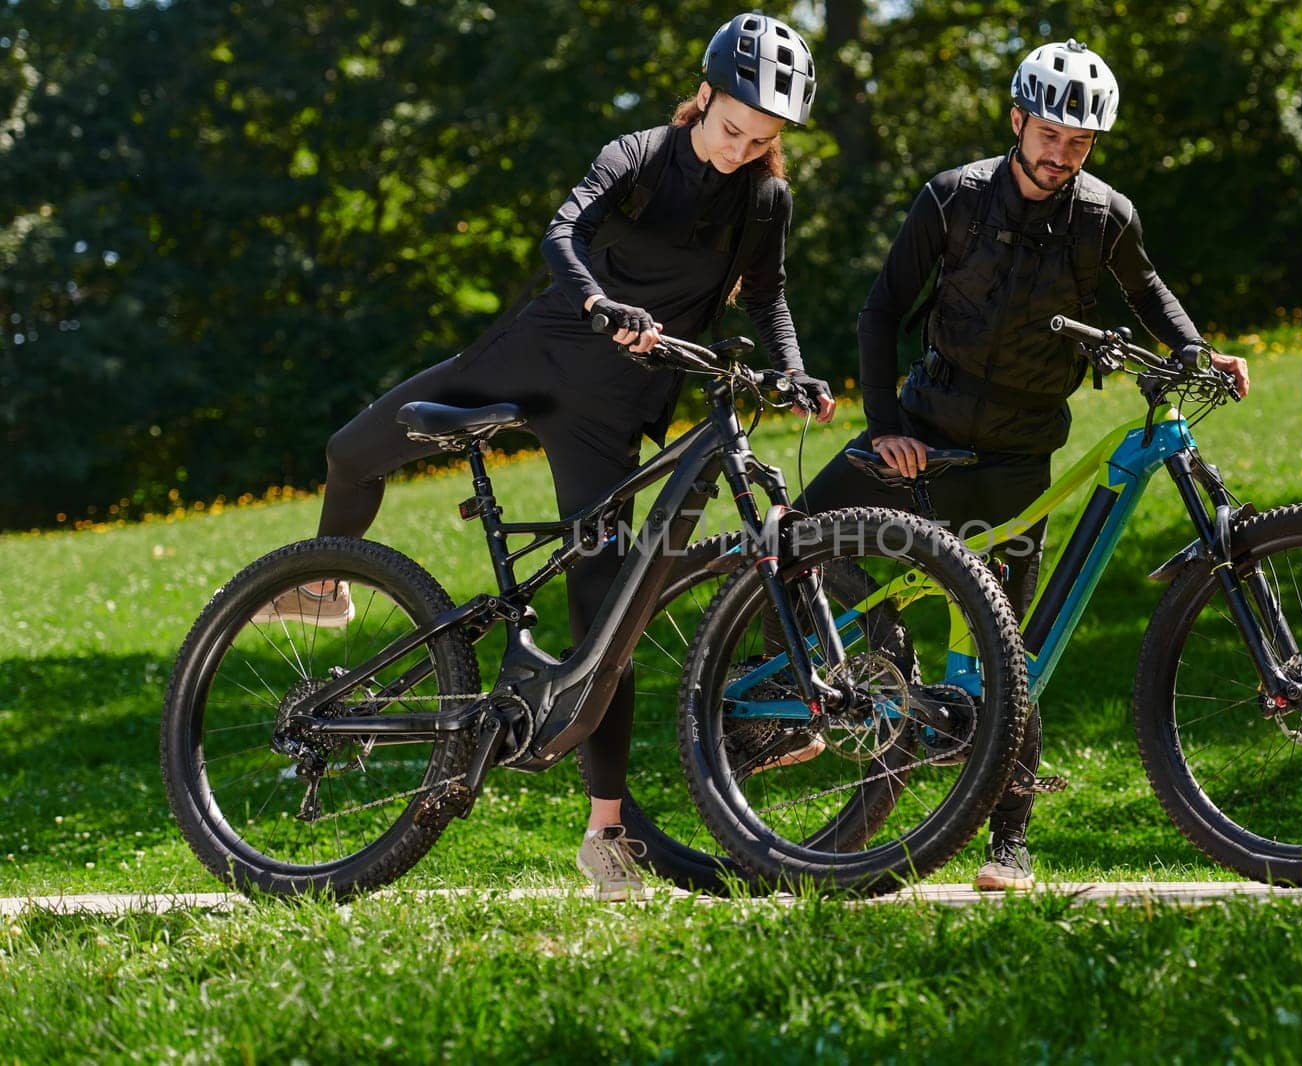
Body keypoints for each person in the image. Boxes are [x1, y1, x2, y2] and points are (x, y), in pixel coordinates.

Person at [253, 12, 834, 900]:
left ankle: (605, 833)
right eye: (730, 128)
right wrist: (602, 304)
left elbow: (770, 298)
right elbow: (561, 235)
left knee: (607, 616)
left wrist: (792, 371)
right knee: (351, 451)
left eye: (762, 140)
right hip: (537, 357)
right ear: (704, 96)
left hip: (611, 409)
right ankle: (323, 584)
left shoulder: (764, 200)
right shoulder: (637, 154)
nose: (740, 149)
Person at [795, 39, 1249, 892]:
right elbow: (882, 310)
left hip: (1017, 455)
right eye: (1049, 133)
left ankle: (1010, 848)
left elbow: (1147, 291)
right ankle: (798, 698)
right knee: (796, 542)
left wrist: (1198, 351)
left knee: (1012, 650)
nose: (1060, 153)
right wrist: (886, 425)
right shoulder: (955, 199)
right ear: (1017, 121)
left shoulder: (1105, 216)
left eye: (1079, 143)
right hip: (921, 438)